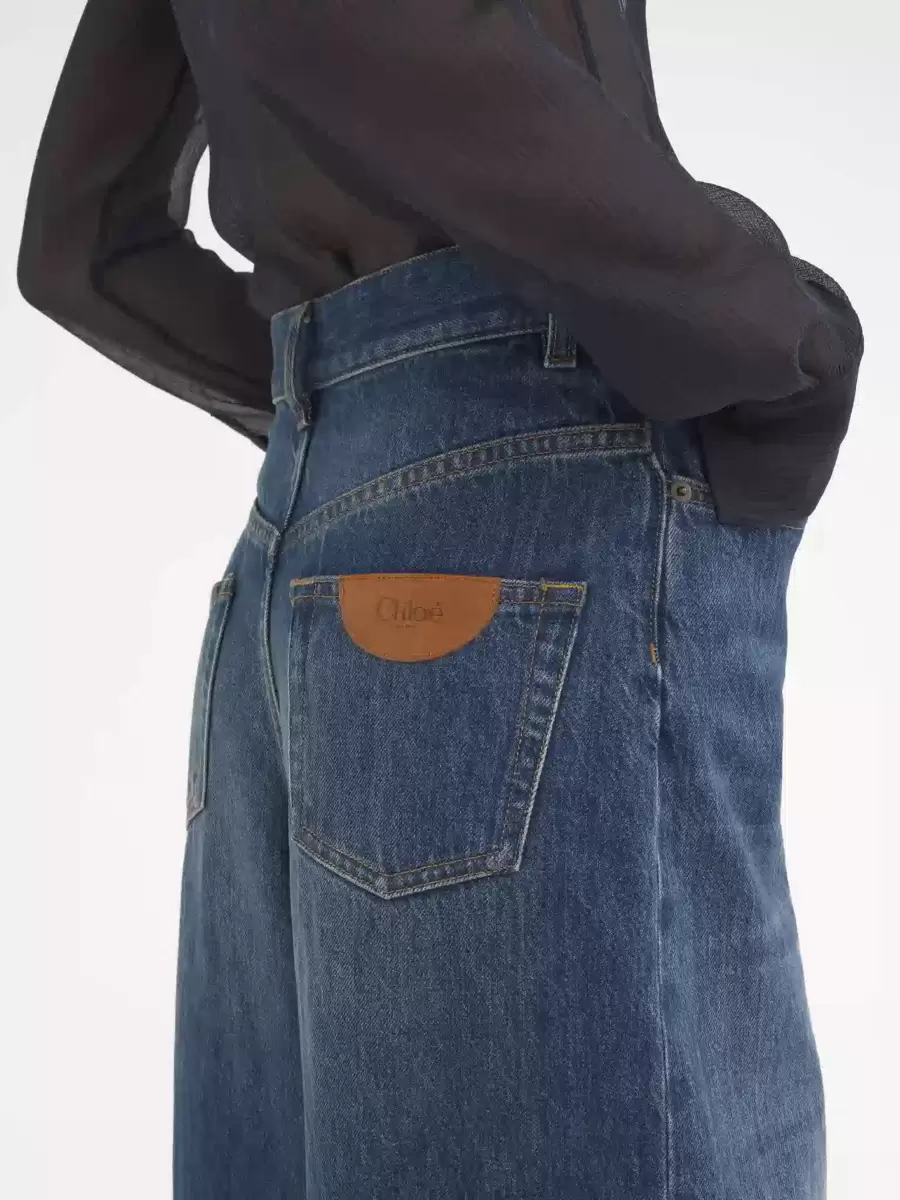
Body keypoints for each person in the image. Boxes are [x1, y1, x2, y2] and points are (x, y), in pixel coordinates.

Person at [17, 2, 863, 1197]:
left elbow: (83, 245)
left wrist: (375, 418)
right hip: (536, 489)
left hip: (308, 530)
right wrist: (755, 326)